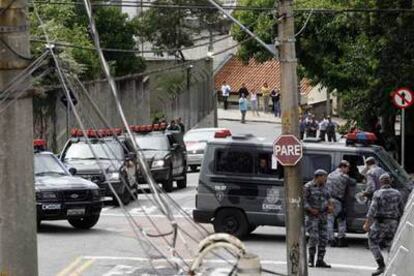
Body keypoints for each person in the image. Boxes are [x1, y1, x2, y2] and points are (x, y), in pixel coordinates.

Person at [363, 173, 404, 276]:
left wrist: (367, 224)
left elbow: (372, 210)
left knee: (372, 242)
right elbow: (402, 209)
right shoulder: (397, 193)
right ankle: (393, 266)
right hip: (393, 223)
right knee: (391, 244)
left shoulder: (378, 193)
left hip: (380, 223)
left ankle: (381, 265)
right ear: (390, 181)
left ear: (380, 182)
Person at [304, 169, 333, 268]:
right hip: (312, 217)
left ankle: (320, 260)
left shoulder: (326, 186)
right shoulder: (308, 186)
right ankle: (311, 260)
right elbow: (303, 201)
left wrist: (330, 206)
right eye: (324, 177)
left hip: (323, 216)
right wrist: (310, 209)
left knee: (324, 238)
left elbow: (329, 198)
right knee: (313, 238)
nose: (325, 179)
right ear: (318, 177)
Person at [326, 160, 355, 247]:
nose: (348, 170)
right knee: (341, 220)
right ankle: (340, 239)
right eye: (348, 168)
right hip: (338, 201)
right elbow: (353, 182)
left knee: (329, 220)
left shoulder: (330, 175)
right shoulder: (344, 177)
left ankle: (331, 240)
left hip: (329, 200)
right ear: (343, 167)